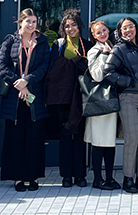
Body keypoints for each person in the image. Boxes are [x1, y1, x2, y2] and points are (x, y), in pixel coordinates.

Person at [0, 8, 51, 192]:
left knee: (35, 137)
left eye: (34, 22)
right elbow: (2, 66)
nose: (31, 25)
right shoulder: (10, 40)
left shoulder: (42, 41)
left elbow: (45, 65)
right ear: (20, 22)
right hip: (14, 97)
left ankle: (33, 177)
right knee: (15, 137)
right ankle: (18, 178)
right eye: (28, 21)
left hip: (34, 95)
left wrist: (27, 81)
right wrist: (17, 83)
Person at [104, 17, 138, 193]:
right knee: (132, 138)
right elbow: (108, 71)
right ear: (120, 32)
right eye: (124, 28)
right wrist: (128, 82)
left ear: (136, 28)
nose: (128, 30)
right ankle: (128, 178)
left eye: (131, 26)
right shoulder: (119, 49)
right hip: (128, 98)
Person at [47, 9, 92, 188]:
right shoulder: (59, 45)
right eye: (67, 26)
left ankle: (80, 175)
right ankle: (66, 176)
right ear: (62, 29)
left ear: (79, 26)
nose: (70, 28)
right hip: (64, 97)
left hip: (82, 95)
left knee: (80, 136)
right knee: (65, 135)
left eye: (73, 25)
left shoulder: (87, 45)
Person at [84, 20, 121, 191]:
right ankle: (98, 179)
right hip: (99, 103)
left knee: (109, 143)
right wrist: (106, 55)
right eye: (98, 33)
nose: (102, 34)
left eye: (104, 30)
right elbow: (97, 75)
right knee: (99, 142)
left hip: (111, 101)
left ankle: (109, 177)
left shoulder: (113, 46)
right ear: (93, 35)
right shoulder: (94, 51)